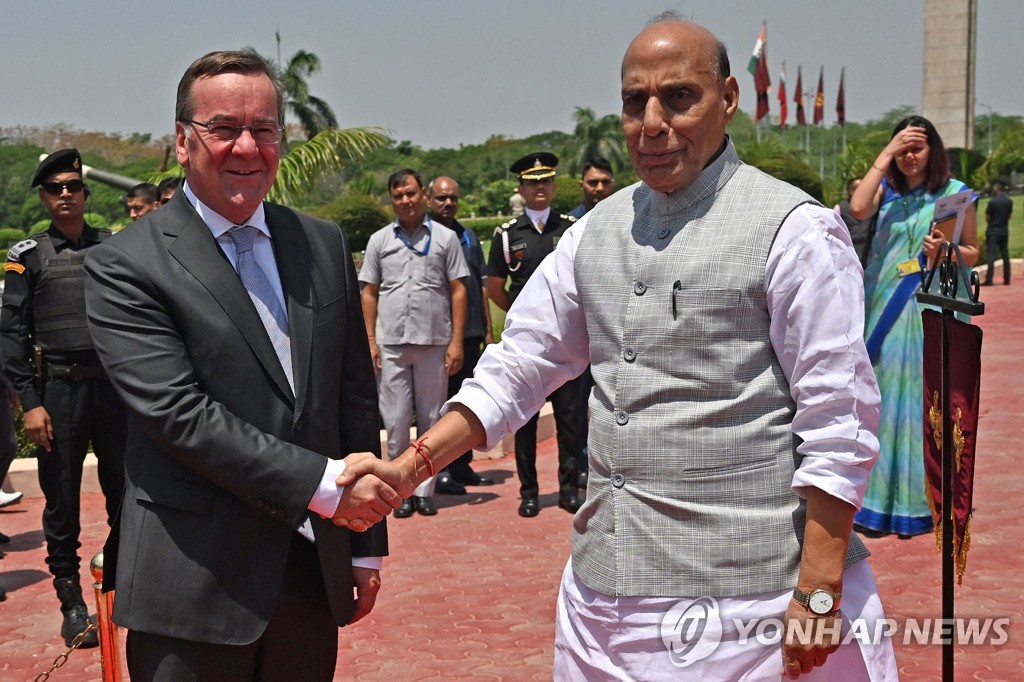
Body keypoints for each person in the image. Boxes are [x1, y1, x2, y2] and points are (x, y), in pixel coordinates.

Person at [340, 15, 897, 680]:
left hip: (753, 600)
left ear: (727, 98)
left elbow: (840, 418)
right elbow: (520, 366)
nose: (652, 122)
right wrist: (411, 466)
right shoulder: (594, 233)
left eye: (679, 97)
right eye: (636, 102)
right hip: (605, 600)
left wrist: (819, 586)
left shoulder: (795, 231)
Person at [82, 51, 398, 680]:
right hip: (192, 586)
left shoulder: (321, 242)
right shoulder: (126, 265)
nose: (247, 147)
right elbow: (179, 416)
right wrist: (328, 486)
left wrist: (364, 546)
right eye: (224, 128)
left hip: (307, 571)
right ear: (182, 141)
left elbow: (351, 399)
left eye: (265, 129)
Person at [0, 148, 127, 648]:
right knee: (62, 503)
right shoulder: (25, 257)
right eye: (55, 188)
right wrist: (30, 402)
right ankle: (71, 601)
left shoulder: (114, 248)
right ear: (43, 197)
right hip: (57, 392)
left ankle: (118, 580)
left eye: (73, 185)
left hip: (113, 392)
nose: (66, 194)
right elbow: (11, 337)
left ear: (85, 193)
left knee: (125, 493)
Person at [850, 115, 979, 538]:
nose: (908, 156)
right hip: (883, 307)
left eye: (916, 148)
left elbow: (973, 252)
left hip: (925, 309)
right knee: (880, 401)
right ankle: (874, 503)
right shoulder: (887, 191)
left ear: (933, 151)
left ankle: (917, 504)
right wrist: (885, 155)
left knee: (921, 399)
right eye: (901, 148)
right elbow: (857, 208)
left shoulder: (955, 195)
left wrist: (947, 251)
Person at [359, 169, 468, 517]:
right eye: (397, 195)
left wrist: (456, 342)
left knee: (433, 420)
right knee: (395, 421)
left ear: (422, 193)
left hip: (434, 342)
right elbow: (369, 293)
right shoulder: (379, 241)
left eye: (410, 193)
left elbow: (459, 290)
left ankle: (423, 491)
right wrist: (370, 339)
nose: (405, 200)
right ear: (391, 200)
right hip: (391, 343)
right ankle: (398, 491)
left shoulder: (445, 239)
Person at [486, 152, 581, 518]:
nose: (539, 187)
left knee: (570, 420)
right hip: (528, 345)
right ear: (521, 189)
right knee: (524, 419)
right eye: (532, 182)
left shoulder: (570, 228)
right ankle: (529, 491)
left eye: (545, 181)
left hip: (569, 340)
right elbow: (495, 286)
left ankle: (569, 488)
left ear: (554, 186)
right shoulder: (508, 236)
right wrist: (521, 314)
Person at [427, 176, 495, 495]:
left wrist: (488, 331)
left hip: (469, 332)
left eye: (453, 198)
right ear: (429, 200)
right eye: (441, 198)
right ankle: (439, 470)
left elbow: (480, 286)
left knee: (465, 399)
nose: (448, 203)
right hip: (439, 335)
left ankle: (461, 465)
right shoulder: (425, 236)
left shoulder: (467, 236)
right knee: (439, 402)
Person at [565, 158, 616, 489]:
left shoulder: (625, 220)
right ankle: (579, 464)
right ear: (581, 185)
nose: (598, 188)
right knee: (572, 410)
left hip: (611, 332)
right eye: (592, 182)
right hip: (575, 332)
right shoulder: (570, 224)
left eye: (604, 182)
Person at [834, 177, 874, 267]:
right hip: (848, 251)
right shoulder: (840, 207)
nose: (859, 190)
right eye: (855, 188)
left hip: (870, 251)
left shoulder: (874, 205)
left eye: (862, 187)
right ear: (849, 191)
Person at [982, 180, 1013, 285]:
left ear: (997, 188)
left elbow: (987, 217)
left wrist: (992, 223)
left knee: (991, 254)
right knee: (1005, 254)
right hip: (1004, 229)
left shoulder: (992, 202)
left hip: (993, 230)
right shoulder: (1009, 201)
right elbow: (1009, 216)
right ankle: (1007, 278)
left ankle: (989, 279)